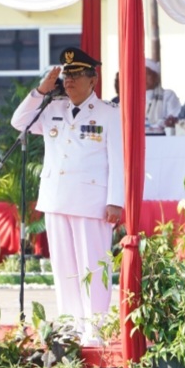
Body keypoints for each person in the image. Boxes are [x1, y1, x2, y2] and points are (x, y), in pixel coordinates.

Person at [11, 47, 123, 346]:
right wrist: (40, 91)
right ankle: (71, 325)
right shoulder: (52, 108)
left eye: (76, 75)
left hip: (92, 201)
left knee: (93, 265)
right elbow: (19, 122)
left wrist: (116, 199)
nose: (69, 81)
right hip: (57, 198)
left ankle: (95, 327)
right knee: (64, 266)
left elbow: (118, 159)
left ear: (93, 79)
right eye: (66, 75)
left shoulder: (109, 113)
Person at [143, 59, 181, 128]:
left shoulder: (168, 95)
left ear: (157, 77)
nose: (143, 77)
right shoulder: (133, 99)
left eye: (147, 74)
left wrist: (156, 125)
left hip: (162, 137)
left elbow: (174, 119)